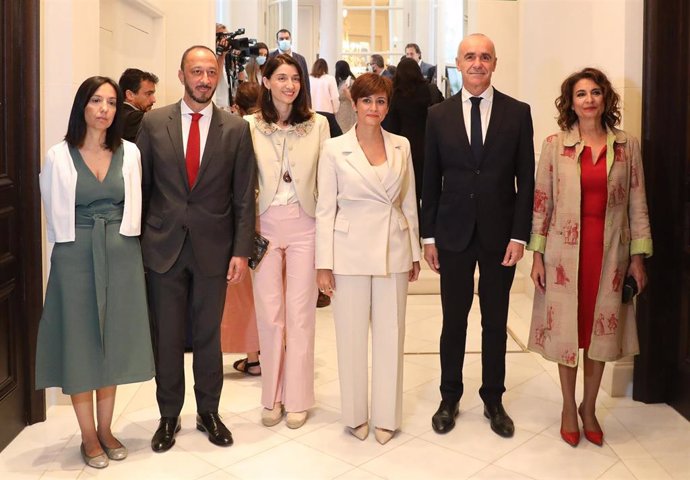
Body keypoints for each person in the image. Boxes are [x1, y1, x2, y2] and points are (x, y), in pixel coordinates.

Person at [137, 45, 257, 452]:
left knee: (208, 337)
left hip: (214, 250)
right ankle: (168, 416)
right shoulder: (153, 124)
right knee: (166, 337)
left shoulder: (236, 130)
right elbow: (142, 189)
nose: (204, 79)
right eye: (196, 72)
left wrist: (241, 251)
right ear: (182, 75)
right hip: (163, 247)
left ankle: (209, 412)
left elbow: (243, 197)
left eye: (210, 72)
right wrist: (138, 248)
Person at [527, 67, 652, 447]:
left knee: (599, 334)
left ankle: (589, 407)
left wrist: (638, 257)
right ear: (571, 102)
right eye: (580, 94)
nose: (588, 100)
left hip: (609, 253)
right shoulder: (555, 144)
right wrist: (536, 255)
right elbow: (541, 202)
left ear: (605, 99)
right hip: (565, 256)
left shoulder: (626, 146)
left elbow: (637, 201)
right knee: (568, 332)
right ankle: (568, 407)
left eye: (595, 92)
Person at [36, 76, 155, 468]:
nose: (104, 109)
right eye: (96, 101)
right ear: (82, 107)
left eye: (110, 102)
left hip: (121, 251)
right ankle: (88, 436)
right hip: (75, 253)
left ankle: (106, 429)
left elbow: (136, 205)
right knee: (81, 340)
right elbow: (55, 214)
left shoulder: (131, 152)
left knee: (114, 341)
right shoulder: (59, 155)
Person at [421, 33, 535, 438]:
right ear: (458, 62)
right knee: (453, 320)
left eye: (485, 56)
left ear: (494, 63)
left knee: (495, 320)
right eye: (470, 56)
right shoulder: (437, 115)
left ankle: (493, 398)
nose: (477, 63)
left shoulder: (518, 113)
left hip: (499, 234)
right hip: (451, 234)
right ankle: (449, 396)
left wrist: (520, 236)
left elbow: (527, 179)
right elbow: (429, 180)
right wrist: (428, 237)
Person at [316, 73, 421, 445]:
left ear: (387, 106)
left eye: (380, 102)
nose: (374, 108)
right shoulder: (333, 149)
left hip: (392, 248)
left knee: (391, 335)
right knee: (350, 336)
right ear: (354, 103)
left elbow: (408, 201)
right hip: (348, 252)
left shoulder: (401, 146)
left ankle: (387, 416)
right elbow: (325, 208)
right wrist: (323, 264)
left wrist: (414, 252)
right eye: (367, 101)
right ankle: (355, 414)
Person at [247, 54, 329, 430]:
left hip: (305, 224)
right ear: (266, 81)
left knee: (300, 315)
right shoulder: (247, 126)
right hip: (262, 226)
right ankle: (272, 397)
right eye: (281, 78)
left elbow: (327, 183)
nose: (289, 85)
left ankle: (297, 397)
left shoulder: (319, 125)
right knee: (269, 314)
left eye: (295, 78)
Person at [222, 80, 262, 376]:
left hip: (246, 220)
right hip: (278, 221)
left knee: (246, 292)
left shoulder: (238, 129)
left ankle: (254, 356)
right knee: (272, 291)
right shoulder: (272, 127)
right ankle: (272, 350)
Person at [383, 57, 444, 216]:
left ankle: (415, 228)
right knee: (432, 188)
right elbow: (444, 115)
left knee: (411, 192)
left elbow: (391, 127)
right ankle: (431, 226)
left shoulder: (396, 96)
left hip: (406, 149)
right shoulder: (431, 90)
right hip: (430, 146)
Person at [118, 68, 158, 141]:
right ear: (130, 95)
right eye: (148, 94)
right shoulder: (135, 118)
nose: (153, 100)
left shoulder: (116, 112)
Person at [269, 29, 311, 98]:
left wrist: (308, 105)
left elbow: (306, 83)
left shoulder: (300, 59)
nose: (284, 41)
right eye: (281, 39)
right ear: (277, 41)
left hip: (297, 99)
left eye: (287, 38)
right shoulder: (270, 58)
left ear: (291, 40)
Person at [334, 60, 357, 132]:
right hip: (340, 111)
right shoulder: (340, 82)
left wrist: (346, 92)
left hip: (348, 111)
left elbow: (355, 98)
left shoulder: (351, 82)